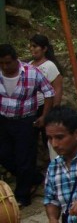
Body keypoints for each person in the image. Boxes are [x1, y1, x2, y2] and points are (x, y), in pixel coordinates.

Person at [0, 43, 54, 207]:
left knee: (25, 158)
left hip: (25, 121)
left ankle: (22, 195)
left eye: (8, 62)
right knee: (4, 155)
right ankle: (34, 177)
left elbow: (49, 92)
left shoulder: (31, 72)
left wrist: (44, 116)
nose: (5, 66)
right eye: (1, 63)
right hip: (3, 120)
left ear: (16, 59)